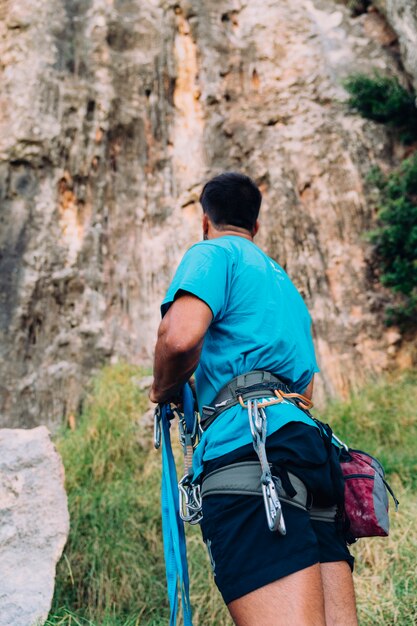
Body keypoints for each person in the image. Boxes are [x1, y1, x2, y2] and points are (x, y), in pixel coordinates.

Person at [150, 172, 358, 626]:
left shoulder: (212, 253)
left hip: (249, 452)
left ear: (205, 221)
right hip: (308, 451)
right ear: (256, 226)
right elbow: (305, 390)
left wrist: (162, 389)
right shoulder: (284, 286)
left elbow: (181, 337)